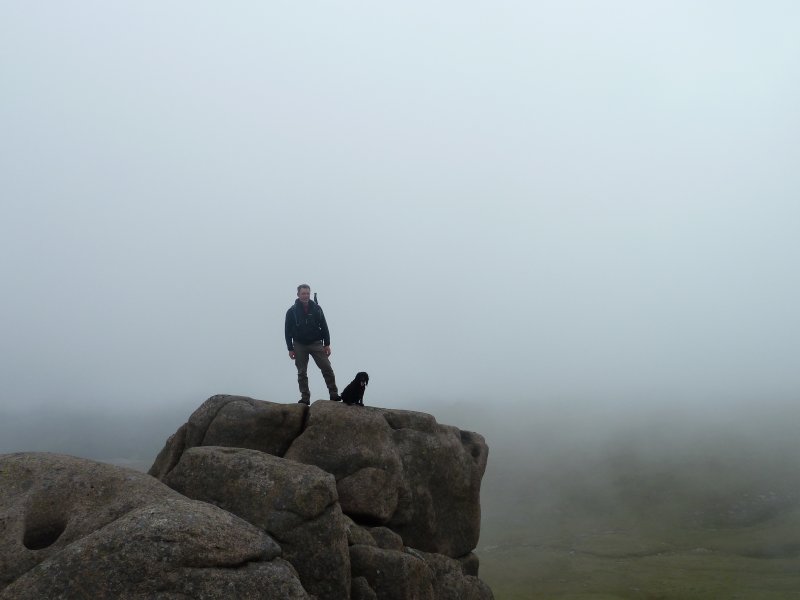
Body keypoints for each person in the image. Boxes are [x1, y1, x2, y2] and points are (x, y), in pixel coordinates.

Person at [285, 284, 340, 405]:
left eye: (307, 293)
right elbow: (287, 331)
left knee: (327, 367)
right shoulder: (291, 311)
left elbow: (324, 326)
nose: (306, 296)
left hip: (316, 343)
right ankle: (305, 398)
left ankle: (334, 394)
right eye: (303, 293)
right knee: (302, 372)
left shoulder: (317, 308)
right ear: (298, 294)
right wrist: (290, 348)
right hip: (299, 344)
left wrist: (327, 344)